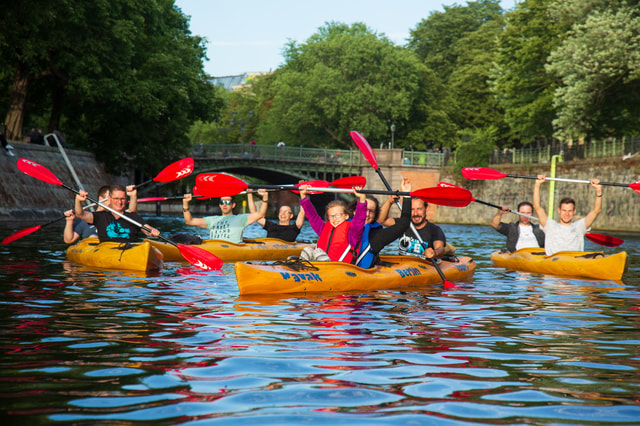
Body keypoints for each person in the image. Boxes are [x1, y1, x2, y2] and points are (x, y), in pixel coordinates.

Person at [349, 177, 413, 268]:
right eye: (364, 209)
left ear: (375, 215)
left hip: (360, 274)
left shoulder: (376, 237)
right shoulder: (341, 225)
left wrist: (406, 195)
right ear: (354, 211)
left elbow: (404, 224)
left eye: (371, 211)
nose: (366, 214)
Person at [533, 174, 602, 255]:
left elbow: (596, 211)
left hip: (574, 261)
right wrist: (537, 184)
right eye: (564, 210)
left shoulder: (579, 226)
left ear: (574, 212)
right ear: (559, 211)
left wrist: (598, 190)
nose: (566, 214)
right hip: (554, 262)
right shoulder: (550, 225)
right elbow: (537, 207)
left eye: (569, 211)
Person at [298, 185, 367, 262]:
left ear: (346, 216)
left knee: (319, 253)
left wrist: (362, 199)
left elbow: (359, 219)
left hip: (338, 267)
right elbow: (312, 216)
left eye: (338, 215)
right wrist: (303, 197)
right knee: (307, 250)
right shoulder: (324, 229)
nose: (335, 218)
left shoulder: (352, 232)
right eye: (331, 216)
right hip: (319, 265)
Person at [74, 184, 160, 243]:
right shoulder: (101, 216)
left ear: (126, 199)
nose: (119, 202)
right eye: (116, 199)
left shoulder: (133, 217)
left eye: (122, 199)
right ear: (109, 199)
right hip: (108, 251)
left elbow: (146, 229)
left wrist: (152, 231)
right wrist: (78, 201)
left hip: (129, 251)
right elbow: (80, 214)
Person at [182, 189, 269, 243]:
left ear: (233, 205)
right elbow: (189, 221)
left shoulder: (241, 218)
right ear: (219, 205)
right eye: (222, 202)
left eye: (227, 202)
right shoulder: (212, 220)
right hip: (214, 249)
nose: (224, 205)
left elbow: (261, 214)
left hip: (232, 249)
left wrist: (265, 198)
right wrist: (185, 203)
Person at [379, 196, 446, 259]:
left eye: (419, 209)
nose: (415, 213)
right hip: (403, 266)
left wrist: (434, 253)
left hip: (424, 266)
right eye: (412, 209)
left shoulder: (434, 229)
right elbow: (381, 220)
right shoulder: (403, 224)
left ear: (427, 208)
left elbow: (440, 249)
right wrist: (389, 202)